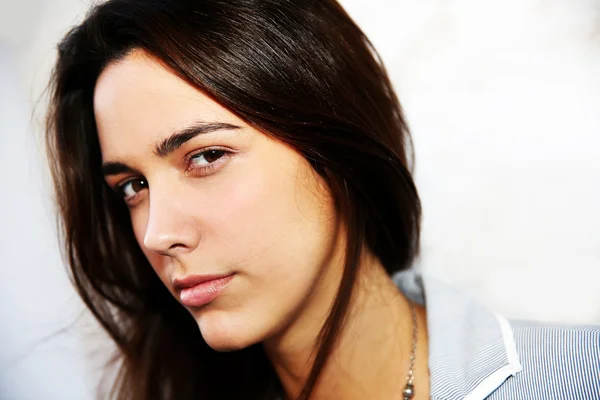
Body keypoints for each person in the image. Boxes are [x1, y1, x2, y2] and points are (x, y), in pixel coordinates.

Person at [44, 0, 600, 399]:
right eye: (132, 187)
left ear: (335, 146)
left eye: (206, 157)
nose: (157, 234)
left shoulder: (576, 377)